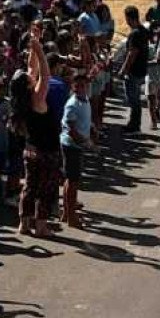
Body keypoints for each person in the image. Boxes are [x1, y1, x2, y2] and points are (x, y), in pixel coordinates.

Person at [18, 23, 63, 237]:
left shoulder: (22, 99)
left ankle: (24, 223)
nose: (31, 75)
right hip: (47, 151)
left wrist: (35, 45)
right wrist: (39, 50)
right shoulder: (37, 99)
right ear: (28, 85)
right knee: (46, 190)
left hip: (31, 149)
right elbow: (44, 75)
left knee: (29, 187)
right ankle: (42, 225)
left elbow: (32, 69)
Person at [60, 72, 92, 228]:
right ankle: (71, 216)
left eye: (84, 85)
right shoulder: (72, 104)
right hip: (72, 146)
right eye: (78, 85)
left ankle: (67, 212)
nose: (81, 88)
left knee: (71, 180)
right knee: (72, 182)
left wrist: (92, 130)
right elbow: (71, 130)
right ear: (73, 87)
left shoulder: (85, 100)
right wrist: (87, 142)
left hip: (78, 145)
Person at [120, 5, 150, 134]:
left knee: (133, 100)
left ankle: (134, 125)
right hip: (141, 69)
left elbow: (132, 53)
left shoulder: (134, 34)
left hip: (133, 70)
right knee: (136, 98)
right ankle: (134, 123)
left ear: (128, 18)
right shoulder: (143, 30)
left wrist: (123, 70)